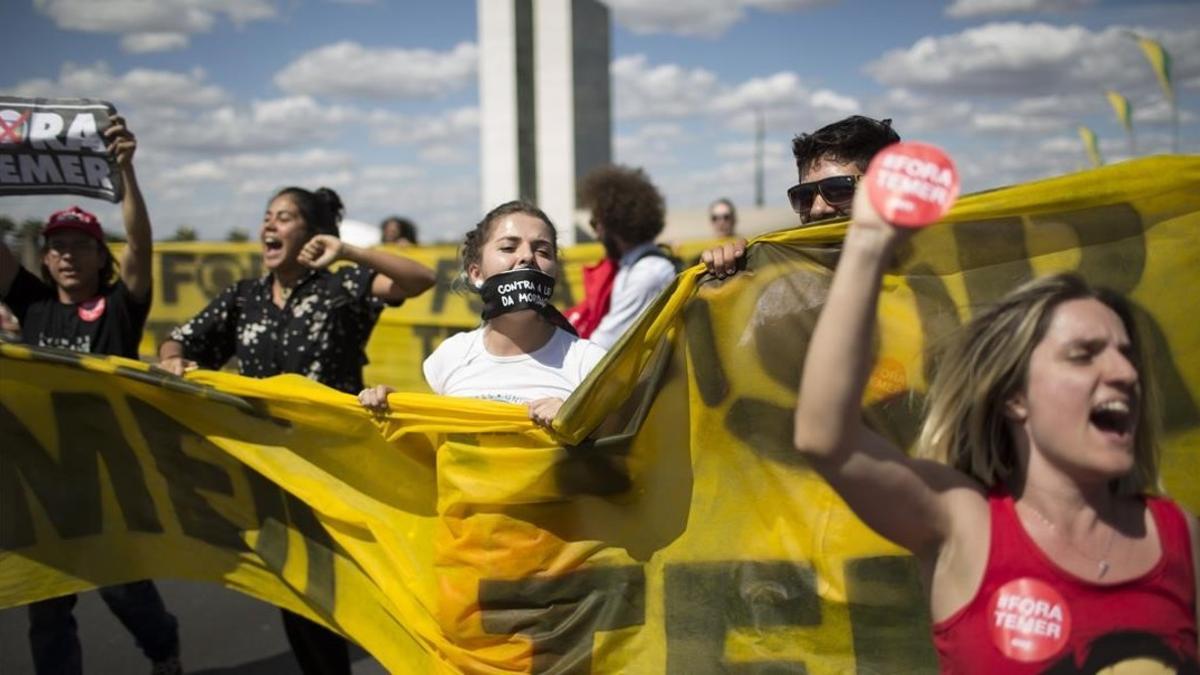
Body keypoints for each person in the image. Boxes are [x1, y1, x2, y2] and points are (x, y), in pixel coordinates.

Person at [789, 184, 1199, 671]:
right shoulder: (963, 523)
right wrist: (869, 242)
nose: (1125, 373)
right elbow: (825, 437)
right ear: (1015, 397)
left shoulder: (1179, 536)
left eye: (1126, 354)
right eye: (1084, 355)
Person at [157, 186, 436, 675]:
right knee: (300, 600)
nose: (269, 225)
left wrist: (345, 250)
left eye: (283, 218)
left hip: (342, 475)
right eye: (267, 217)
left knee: (360, 594)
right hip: (274, 477)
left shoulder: (341, 288)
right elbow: (179, 341)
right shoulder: (242, 298)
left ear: (310, 234)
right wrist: (173, 359)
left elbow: (421, 279)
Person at [0, 117, 184, 675]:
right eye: (56, 247)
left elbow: (143, 245)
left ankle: (163, 649)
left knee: (123, 592)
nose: (67, 256)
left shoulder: (120, 308)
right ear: (44, 257)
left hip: (107, 478)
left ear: (101, 257)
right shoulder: (31, 303)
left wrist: (125, 171)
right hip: (39, 481)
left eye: (81, 246)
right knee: (46, 608)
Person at [358, 200, 606, 428]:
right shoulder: (449, 357)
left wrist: (580, 420)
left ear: (556, 275)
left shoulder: (589, 363)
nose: (527, 256)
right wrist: (396, 413)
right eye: (508, 247)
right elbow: (431, 448)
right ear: (476, 273)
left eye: (542, 251)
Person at [702, 115, 900, 277]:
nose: (817, 209)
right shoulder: (786, 282)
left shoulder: (925, 280)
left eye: (839, 190)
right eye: (804, 196)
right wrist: (736, 269)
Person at [573, 165, 677, 349]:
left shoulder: (646, 274)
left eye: (595, 222)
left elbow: (604, 344)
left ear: (613, 223)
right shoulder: (631, 267)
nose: (596, 232)